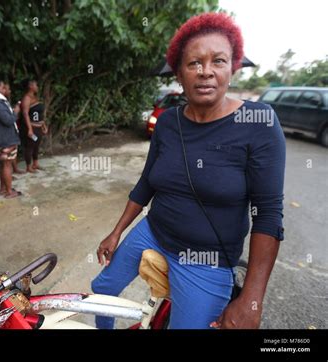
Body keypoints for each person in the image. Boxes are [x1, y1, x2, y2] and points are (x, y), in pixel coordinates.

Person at [91, 12, 286, 329]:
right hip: (152, 232)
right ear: (179, 75)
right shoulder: (168, 122)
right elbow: (146, 184)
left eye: (218, 61)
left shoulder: (259, 122)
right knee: (102, 290)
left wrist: (251, 300)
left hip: (206, 259)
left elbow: (268, 213)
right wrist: (116, 232)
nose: (206, 72)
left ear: (232, 69)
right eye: (194, 63)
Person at [20, 79, 48, 173]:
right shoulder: (26, 98)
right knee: (30, 146)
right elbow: (25, 114)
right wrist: (30, 129)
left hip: (39, 127)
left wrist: (43, 125)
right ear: (31, 86)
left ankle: (35, 163)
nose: (37, 87)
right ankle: (28, 166)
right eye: (36, 85)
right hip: (32, 127)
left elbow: (39, 114)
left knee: (36, 146)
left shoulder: (35, 97)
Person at [4, 83, 25, 175]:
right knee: (6, 156)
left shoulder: (6, 101)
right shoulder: (0, 103)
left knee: (14, 149)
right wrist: (15, 112)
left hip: (12, 128)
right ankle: (8, 174)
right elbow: (7, 118)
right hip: (6, 131)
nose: (10, 91)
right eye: (8, 89)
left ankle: (14, 169)